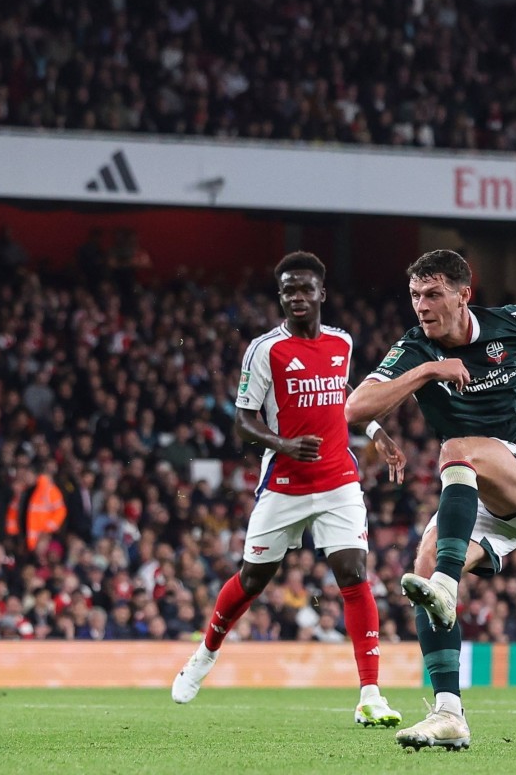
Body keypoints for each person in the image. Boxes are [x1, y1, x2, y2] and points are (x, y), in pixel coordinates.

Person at [345, 249, 516, 750]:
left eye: (433, 294)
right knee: (424, 568)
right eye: (414, 296)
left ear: (463, 294)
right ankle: (449, 713)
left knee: (457, 448)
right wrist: (428, 373)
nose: (421, 306)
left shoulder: (512, 324)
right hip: (484, 497)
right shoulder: (415, 351)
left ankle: (449, 584)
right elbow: (354, 408)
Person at [172, 251, 406, 728]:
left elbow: (343, 402)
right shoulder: (265, 350)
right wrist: (282, 443)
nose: (297, 297)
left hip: (339, 478)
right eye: (288, 290)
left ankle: (370, 694)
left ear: (321, 293)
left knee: (353, 573)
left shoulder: (342, 342)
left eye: (305, 289)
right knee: (253, 580)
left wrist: (377, 430)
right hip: (284, 483)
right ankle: (204, 655)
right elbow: (242, 420)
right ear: (281, 297)